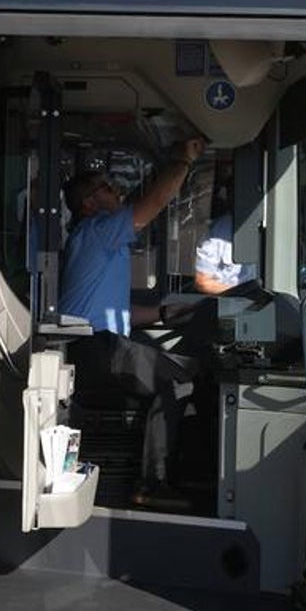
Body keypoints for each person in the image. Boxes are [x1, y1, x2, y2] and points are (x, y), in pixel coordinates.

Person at [59, 137, 205, 509]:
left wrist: (162, 314)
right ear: (89, 204)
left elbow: (114, 308)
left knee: (179, 374)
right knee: (179, 380)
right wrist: (182, 162)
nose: (116, 190)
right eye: (106, 187)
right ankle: (152, 484)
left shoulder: (95, 241)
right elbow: (153, 204)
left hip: (98, 344)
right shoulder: (99, 229)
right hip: (95, 348)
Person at [194, 208, 258, 294]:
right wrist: (241, 293)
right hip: (228, 300)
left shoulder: (275, 225)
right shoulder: (220, 229)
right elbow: (203, 283)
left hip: (268, 301)